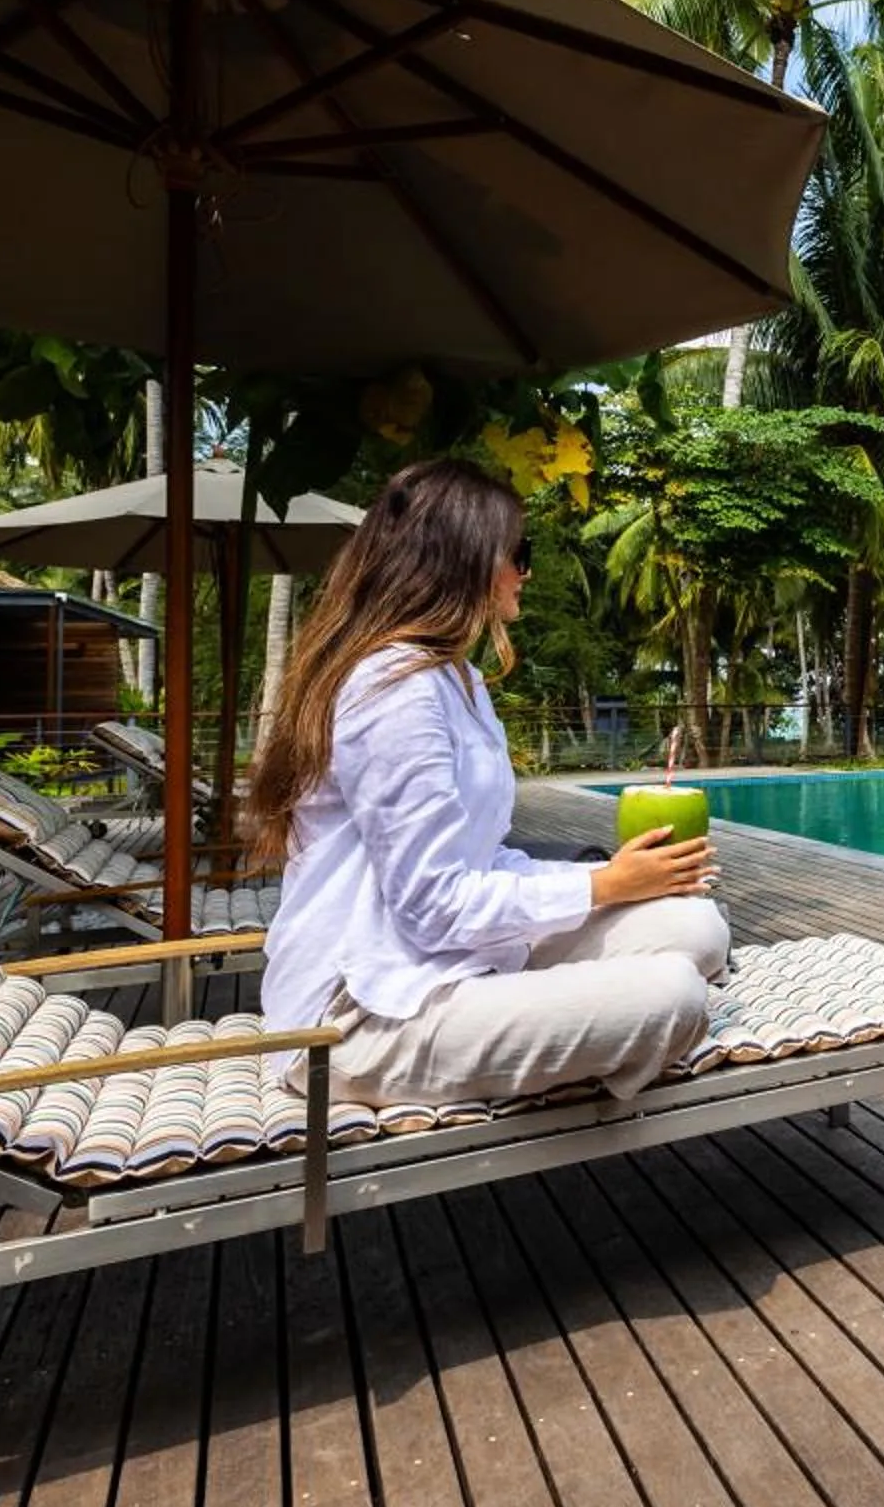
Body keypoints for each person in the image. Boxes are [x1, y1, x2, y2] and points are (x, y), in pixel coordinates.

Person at [246, 458, 728, 1107]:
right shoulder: (393, 690)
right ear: (463, 559)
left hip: (450, 958)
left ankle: (550, 1009)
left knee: (695, 927)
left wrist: (620, 879)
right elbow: (431, 905)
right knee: (673, 992)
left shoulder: (458, 680)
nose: (526, 572)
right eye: (518, 554)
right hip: (360, 1009)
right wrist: (604, 885)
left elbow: (483, 860)